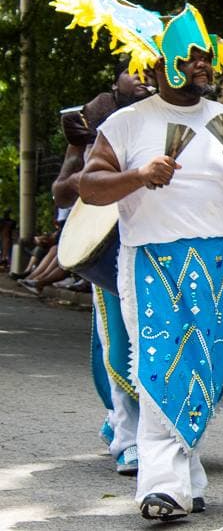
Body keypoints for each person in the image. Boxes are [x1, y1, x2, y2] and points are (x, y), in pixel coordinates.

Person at [62, 0, 223, 521]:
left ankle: (187, 470)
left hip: (221, 262)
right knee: (160, 366)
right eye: (193, 57)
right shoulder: (127, 123)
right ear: (163, 64)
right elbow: (89, 187)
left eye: (206, 58)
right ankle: (162, 483)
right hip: (153, 260)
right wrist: (137, 175)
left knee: (205, 371)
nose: (203, 66)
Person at [50, 66, 155, 474]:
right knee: (119, 342)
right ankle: (128, 437)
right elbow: (61, 191)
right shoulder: (96, 123)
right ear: (115, 81)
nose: (143, 77)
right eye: (133, 70)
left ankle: (154, 433)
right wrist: (89, 168)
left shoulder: (181, 114)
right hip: (112, 244)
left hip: (166, 242)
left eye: (151, 68)